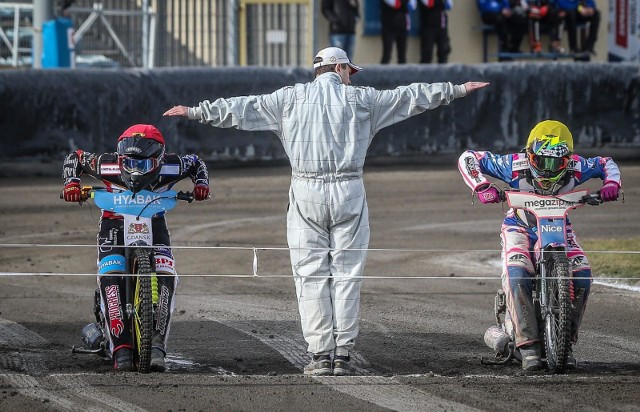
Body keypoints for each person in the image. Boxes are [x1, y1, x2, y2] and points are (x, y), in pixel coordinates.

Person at [163, 46, 489, 376]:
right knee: (347, 274)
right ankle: (343, 353)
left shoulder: (288, 99)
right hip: (350, 189)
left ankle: (320, 355)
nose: (351, 77)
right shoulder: (364, 100)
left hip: (305, 190)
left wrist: (194, 111)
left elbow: (240, 109)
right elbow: (411, 97)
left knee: (310, 274)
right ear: (341, 68)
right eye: (350, 71)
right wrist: (456, 90)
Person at [457, 120, 622, 371]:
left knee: (582, 274)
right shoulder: (513, 164)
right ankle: (527, 344)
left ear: (568, 159)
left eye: (556, 163)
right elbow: (469, 157)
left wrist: (612, 184)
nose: (548, 169)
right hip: (519, 227)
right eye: (541, 161)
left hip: (559, 228)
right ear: (529, 154)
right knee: (516, 272)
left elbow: (605, 163)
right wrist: (481, 186)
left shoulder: (578, 166)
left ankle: (565, 341)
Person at [62, 124, 210, 372]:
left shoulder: (174, 165)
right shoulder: (105, 164)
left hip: (154, 221)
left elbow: (196, 162)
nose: (134, 171)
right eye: (128, 163)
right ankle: (120, 347)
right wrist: (71, 183)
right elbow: (75, 158)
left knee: (166, 276)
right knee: (111, 276)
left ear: (159, 160)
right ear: (120, 157)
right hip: (114, 223)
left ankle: (158, 345)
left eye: (142, 165)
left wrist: (202, 184)